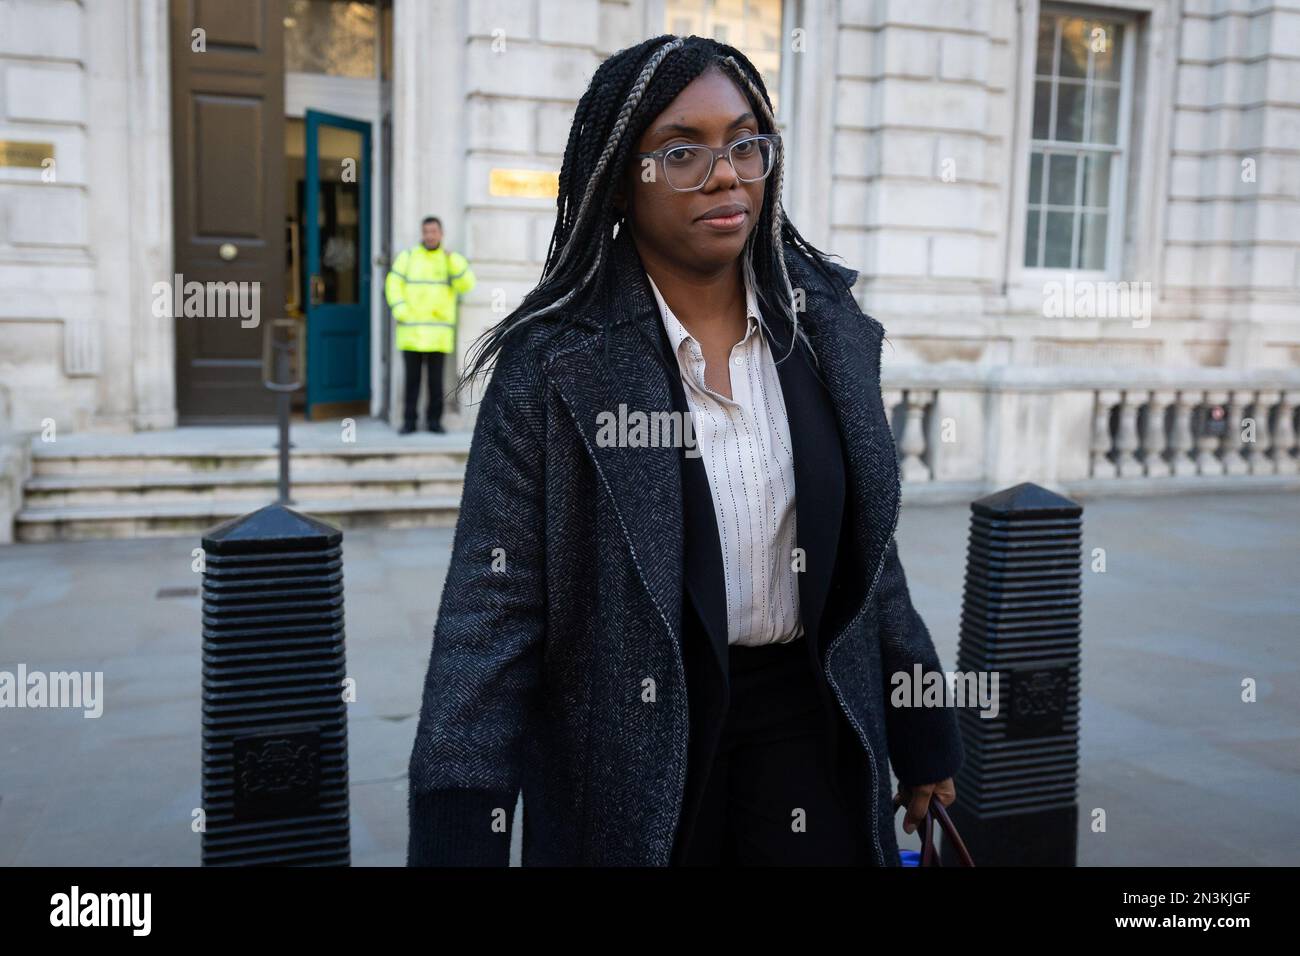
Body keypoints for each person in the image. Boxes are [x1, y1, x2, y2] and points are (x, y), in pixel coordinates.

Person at [407, 34, 963, 866]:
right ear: (618, 181)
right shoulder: (555, 367)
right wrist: (460, 827)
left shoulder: (827, 335)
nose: (727, 173)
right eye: (680, 152)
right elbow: (492, 616)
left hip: (809, 727)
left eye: (746, 143)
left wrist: (921, 731)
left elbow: (869, 558)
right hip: (629, 751)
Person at [385, 216, 475, 433]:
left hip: (438, 334)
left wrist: (452, 260)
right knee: (412, 382)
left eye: (434, 231)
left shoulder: (451, 259)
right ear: (422, 233)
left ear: (441, 234)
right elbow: (392, 284)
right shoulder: (407, 257)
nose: (430, 235)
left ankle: (435, 422)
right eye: (426, 231)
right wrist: (400, 310)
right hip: (411, 331)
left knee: (436, 383)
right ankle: (409, 422)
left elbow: (467, 284)